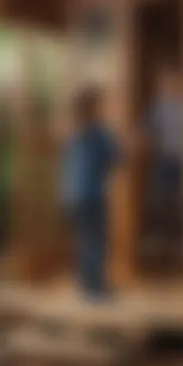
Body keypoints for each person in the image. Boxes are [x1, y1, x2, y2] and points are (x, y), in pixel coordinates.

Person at [60, 86, 122, 301]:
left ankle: (87, 285)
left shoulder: (74, 133)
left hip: (70, 195)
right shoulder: (98, 133)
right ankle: (94, 291)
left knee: (84, 239)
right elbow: (118, 158)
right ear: (94, 108)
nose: (103, 109)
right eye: (101, 105)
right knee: (96, 240)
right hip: (91, 195)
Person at [144, 66, 183, 264]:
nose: (168, 87)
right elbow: (145, 129)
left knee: (182, 201)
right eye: (165, 84)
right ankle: (159, 239)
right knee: (157, 198)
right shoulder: (158, 107)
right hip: (164, 159)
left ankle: (180, 242)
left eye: (173, 83)